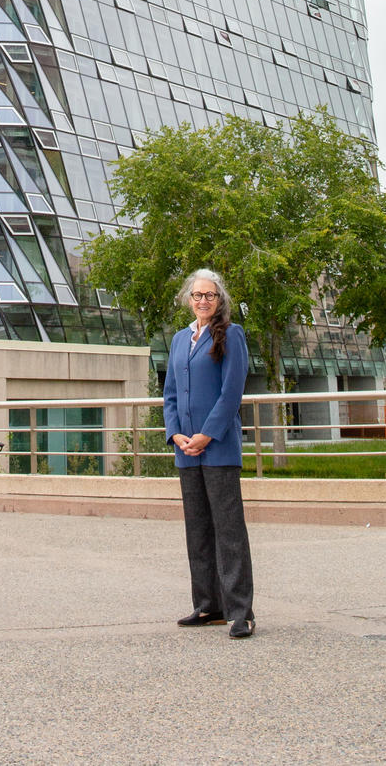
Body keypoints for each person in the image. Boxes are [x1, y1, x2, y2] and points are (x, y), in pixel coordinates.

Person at [162, 267, 255, 639]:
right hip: (186, 450)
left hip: (217, 448)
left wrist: (205, 435)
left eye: (210, 296)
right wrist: (176, 435)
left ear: (219, 301)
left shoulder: (232, 335)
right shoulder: (178, 340)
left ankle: (240, 612)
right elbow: (169, 394)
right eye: (197, 295)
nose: (203, 301)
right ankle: (208, 606)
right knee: (197, 531)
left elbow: (231, 394)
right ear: (188, 299)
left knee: (229, 532)